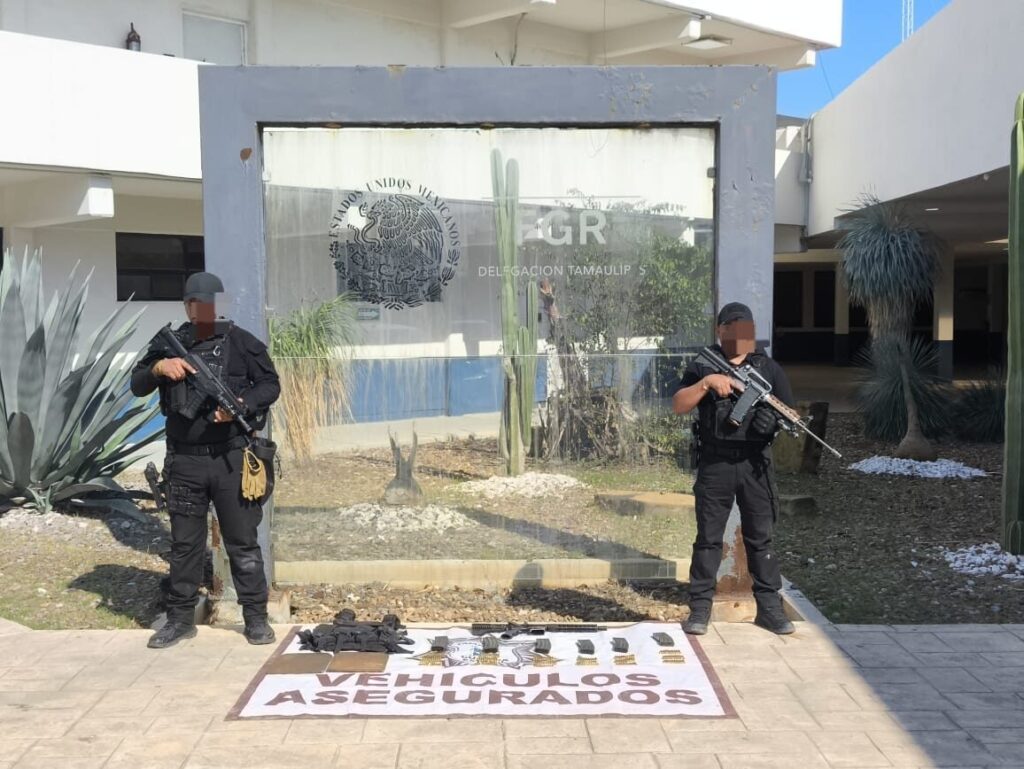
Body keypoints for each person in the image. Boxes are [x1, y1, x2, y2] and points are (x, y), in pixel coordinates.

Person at [131, 272, 281, 649]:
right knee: (185, 545)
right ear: (187, 306)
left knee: (242, 543)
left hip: (232, 459)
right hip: (185, 462)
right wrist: (158, 368)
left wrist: (241, 405)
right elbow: (137, 384)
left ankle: (255, 618)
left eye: (209, 304)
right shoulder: (169, 344)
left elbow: (270, 384)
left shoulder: (241, 342)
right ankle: (180, 620)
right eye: (195, 304)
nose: (202, 311)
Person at [672, 302, 796, 636]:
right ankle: (700, 609)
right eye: (734, 328)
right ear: (720, 331)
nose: (741, 336)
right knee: (709, 540)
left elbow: (790, 413)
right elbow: (679, 404)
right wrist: (707, 383)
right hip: (716, 463)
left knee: (760, 540)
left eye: (746, 329)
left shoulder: (767, 368)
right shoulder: (704, 365)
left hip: (755, 465)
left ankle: (769, 608)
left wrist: (772, 422)